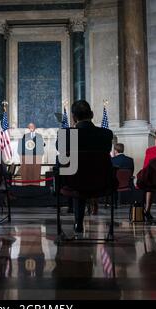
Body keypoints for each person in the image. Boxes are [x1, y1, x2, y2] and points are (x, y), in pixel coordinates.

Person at [58, 100, 114, 234]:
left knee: (70, 171)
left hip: (73, 182)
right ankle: (80, 221)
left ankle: (78, 222)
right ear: (92, 114)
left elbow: (62, 157)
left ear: (73, 117)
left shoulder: (66, 135)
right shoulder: (106, 134)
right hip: (101, 182)